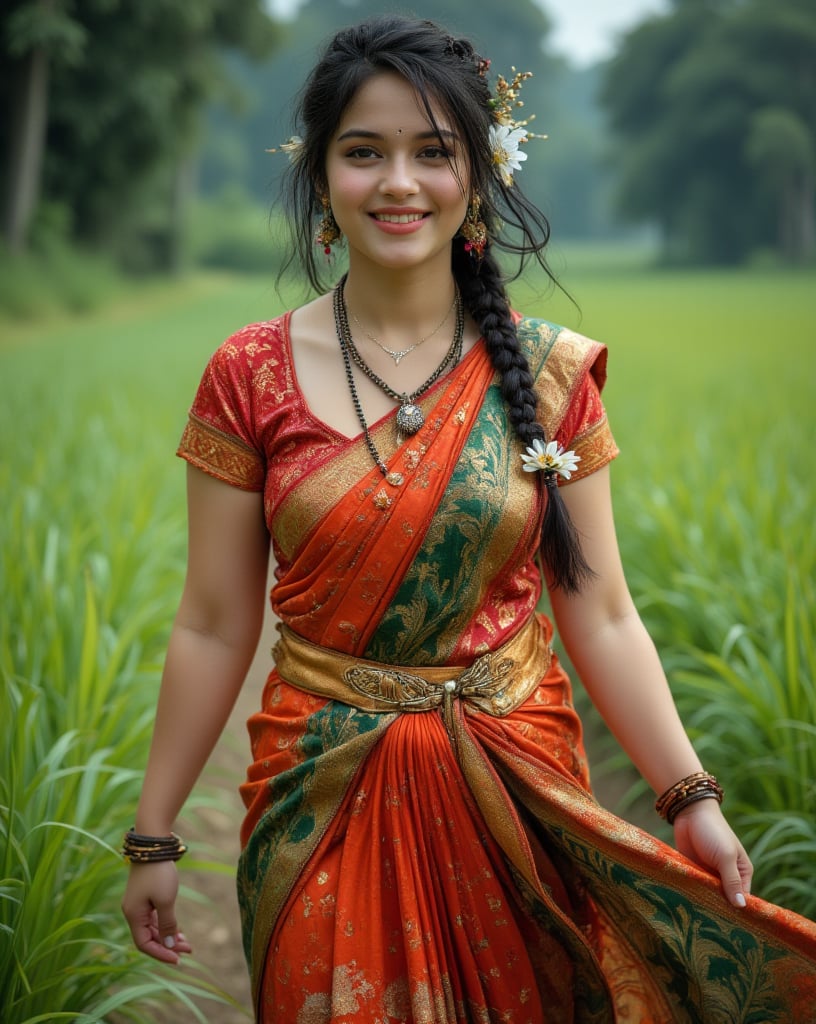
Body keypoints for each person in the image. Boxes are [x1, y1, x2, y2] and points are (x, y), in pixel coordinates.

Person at [122, 14, 816, 1023]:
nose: (398, 182)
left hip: (516, 791)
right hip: (317, 793)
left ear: (480, 174)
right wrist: (154, 832)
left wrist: (689, 799)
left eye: (433, 152)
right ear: (321, 175)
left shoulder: (552, 374)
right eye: (364, 152)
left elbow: (604, 610)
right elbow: (214, 621)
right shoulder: (248, 373)